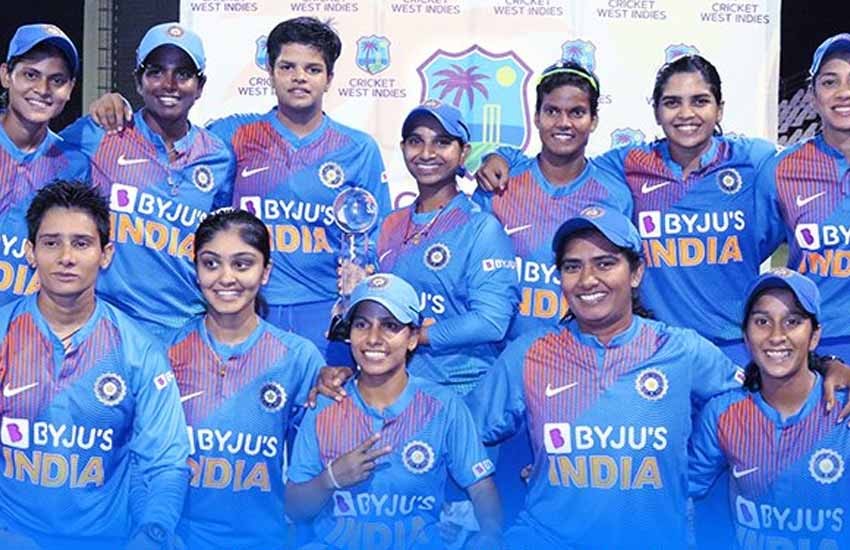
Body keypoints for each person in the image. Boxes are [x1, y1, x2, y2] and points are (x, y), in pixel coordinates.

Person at [88, 17, 390, 364]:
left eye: (313, 69)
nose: (299, 77)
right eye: (287, 66)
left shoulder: (359, 148)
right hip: (246, 308)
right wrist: (114, 104)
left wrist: (361, 279)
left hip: (324, 313)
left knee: (324, 396)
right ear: (270, 72)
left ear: (330, 78)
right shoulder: (230, 136)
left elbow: (376, 237)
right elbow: (173, 131)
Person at [469, 205, 751, 548]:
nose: (587, 279)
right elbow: (461, 433)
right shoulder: (529, 353)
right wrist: (492, 518)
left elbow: (752, 404)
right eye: (572, 267)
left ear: (636, 273)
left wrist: (690, 474)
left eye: (605, 264)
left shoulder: (680, 350)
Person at [478, 54, 777, 364]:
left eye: (700, 101)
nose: (686, 114)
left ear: (720, 109)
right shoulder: (629, 165)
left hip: (733, 347)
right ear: (656, 111)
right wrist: (502, 156)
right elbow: (564, 160)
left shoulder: (754, 160)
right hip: (654, 347)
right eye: (672, 103)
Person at [0, 181, 189, 548]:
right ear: (29, 252)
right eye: (51, 243)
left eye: (82, 243)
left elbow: (165, 463)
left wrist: (153, 532)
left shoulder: (139, 351)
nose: (66, 257)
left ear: (106, 254)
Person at [287, 273, 502, 549]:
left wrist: (491, 535)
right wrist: (330, 479)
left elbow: (481, 488)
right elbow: (294, 507)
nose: (373, 338)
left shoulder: (443, 406)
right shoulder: (326, 404)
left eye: (390, 326)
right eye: (362, 324)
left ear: (412, 337)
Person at [61, 22, 235, 339]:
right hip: (110, 326)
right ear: (138, 82)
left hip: (188, 328)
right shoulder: (100, 133)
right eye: (156, 72)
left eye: (183, 73)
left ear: (200, 86)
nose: (169, 84)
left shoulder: (219, 157)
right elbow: (36, 151)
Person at [165, 208, 325, 549]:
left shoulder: (298, 358)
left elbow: (311, 473)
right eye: (211, 263)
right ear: (195, 270)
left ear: (265, 272)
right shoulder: (164, 352)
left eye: (242, 264)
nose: (226, 278)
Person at [689, 268, 849, 549]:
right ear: (746, 336)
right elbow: (683, 491)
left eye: (793, 321)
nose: (777, 336)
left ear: (814, 336)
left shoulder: (843, 409)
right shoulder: (722, 413)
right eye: (762, 321)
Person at [472, 60, 632, 339]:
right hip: (501, 353)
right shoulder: (498, 185)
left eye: (577, 112)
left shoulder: (615, 196)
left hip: (580, 351)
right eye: (552, 111)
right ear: (536, 117)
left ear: (593, 120)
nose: (563, 123)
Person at [375, 100, 517, 397]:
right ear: (403, 148)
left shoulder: (481, 228)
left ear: (463, 152)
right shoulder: (390, 224)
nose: (427, 153)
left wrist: (416, 335)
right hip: (397, 389)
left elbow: (491, 322)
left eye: (442, 142)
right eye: (416, 141)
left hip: (463, 391)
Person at [756, 33, 850, 360]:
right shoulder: (782, 169)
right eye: (830, 82)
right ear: (812, 96)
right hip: (814, 347)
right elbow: (741, 254)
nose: (844, 92)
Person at [0, 23, 88, 305]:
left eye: (57, 80)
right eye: (31, 75)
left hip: (32, 323)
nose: (42, 89)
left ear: (70, 88)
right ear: (6, 75)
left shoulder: (75, 164)